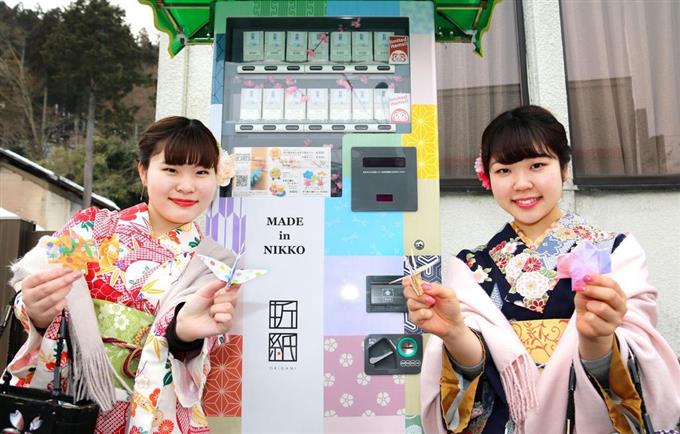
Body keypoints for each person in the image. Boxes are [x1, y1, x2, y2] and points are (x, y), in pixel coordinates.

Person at [406, 105, 680, 434]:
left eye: (537, 165)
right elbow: (472, 373)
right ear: (487, 178)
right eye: (504, 170)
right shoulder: (470, 267)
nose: (521, 183)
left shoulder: (610, 251)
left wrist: (598, 338)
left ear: (564, 169)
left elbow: (634, 357)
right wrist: (452, 334)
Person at [6, 116, 237, 434]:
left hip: (151, 409)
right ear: (143, 171)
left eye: (201, 172)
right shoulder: (93, 229)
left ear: (215, 178)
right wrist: (35, 309)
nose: (187, 186)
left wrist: (183, 335)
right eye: (171, 170)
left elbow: (206, 342)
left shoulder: (215, 261)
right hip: (71, 396)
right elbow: (32, 285)